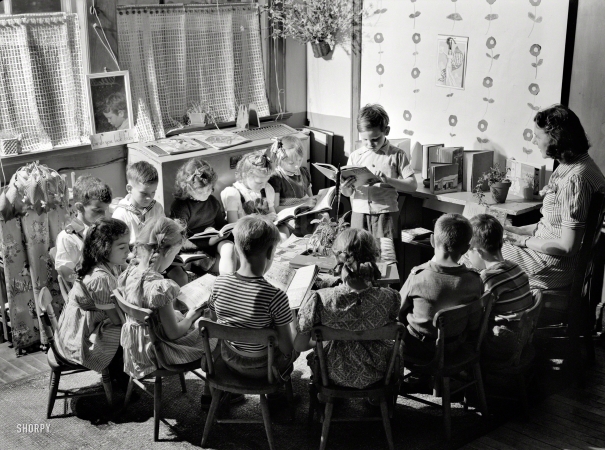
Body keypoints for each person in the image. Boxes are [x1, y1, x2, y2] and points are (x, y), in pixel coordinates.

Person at [503, 104, 605, 290]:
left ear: (555, 138)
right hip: (549, 258)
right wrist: (515, 231)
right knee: (486, 242)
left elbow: (567, 246)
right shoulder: (576, 166)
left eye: (538, 136)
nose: (534, 141)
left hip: (551, 265)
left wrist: (523, 241)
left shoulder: (576, 179)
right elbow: (554, 226)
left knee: (475, 250)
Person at [294, 228, 400, 389]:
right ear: (375, 258)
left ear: (338, 259)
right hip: (377, 371)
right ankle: (375, 400)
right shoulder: (390, 298)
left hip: (332, 371)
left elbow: (300, 346)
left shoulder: (320, 300)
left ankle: (329, 399)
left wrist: (318, 339)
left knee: (315, 356)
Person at [209, 214, 297, 379]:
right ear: (271, 252)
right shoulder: (276, 297)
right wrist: (293, 317)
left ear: (236, 249)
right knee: (297, 343)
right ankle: (275, 397)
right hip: (265, 367)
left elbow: (214, 320)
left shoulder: (218, 284)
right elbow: (287, 348)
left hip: (229, 359)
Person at [118, 216, 206, 380]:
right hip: (159, 353)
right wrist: (191, 316)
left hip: (136, 350)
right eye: (176, 254)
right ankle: (213, 394)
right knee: (212, 334)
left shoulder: (128, 273)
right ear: (169, 252)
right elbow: (173, 334)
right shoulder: (160, 288)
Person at [55, 218, 129, 384]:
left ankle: (120, 370)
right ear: (104, 248)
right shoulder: (99, 278)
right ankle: (119, 375)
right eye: (123, 247)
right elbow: (117, 319)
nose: (128, 252)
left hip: (91, 318)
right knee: (125, 331)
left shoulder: (107, 262)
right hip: (81, 333)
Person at [399, 214, 483, 358]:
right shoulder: (475, 280)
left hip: (417, 350)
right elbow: (474, 323)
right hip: (455, 349)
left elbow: (397, 311)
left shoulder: (418, 276)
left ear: (432, 240)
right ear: (466, 248)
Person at [340, 104, 417, 239]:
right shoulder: (355, 156)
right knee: (358, 253)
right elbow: (348, 193)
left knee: (386, 256)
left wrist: (389, 181)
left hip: (385, 213)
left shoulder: (396, 154)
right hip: (359, 212)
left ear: (386, 131)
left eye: (375, 139)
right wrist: (345, 188)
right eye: (365, 140)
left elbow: (412, 185)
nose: (370, 144)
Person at [467, 214, 534, 361]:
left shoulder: (488, 277)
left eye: (468, 251)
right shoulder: (516, 267)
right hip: (523, 339)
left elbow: (477, 316)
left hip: (501, 344)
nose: (467, 255)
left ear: (478, 252)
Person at [170, 158, 236, 275]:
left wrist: (228, 231)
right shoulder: (180, 206)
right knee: (212, 262)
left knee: (229, 248)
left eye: (210, 189)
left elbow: (221, 224)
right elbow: (180, 240)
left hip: (215, 239)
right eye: (201, 192)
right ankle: (226, 279)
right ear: (187, 189)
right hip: (194, 248)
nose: (206, 194)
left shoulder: (212, 201)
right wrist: (208, 242)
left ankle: (228, 280)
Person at [220, 150, 289, 239]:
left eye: (266, 181)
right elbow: (234, 227)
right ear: (244, 175)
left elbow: (273, 215)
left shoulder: (267, 189)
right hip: (246, 236)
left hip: (265, 231)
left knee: (284, 230)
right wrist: (263, 220)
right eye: (259, 182)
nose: (263, 185)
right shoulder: (233, 194)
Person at [55, 176, 112, 280]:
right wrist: (87, 282)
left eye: (105, 209)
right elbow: (66, 274)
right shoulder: (68, 237)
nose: (103, 215)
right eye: (98, 210)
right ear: (79, 207)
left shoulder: (104, 228)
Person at [268, 135, 316, 236]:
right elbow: (276, 208)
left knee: (323, 217)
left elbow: (311, 196)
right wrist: (303, 204)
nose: (297, 165)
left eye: (299, 160)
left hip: (306, 212)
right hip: (289, 217)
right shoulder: (276, 178)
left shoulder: (304, 172)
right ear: (279, 160)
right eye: (291, 163)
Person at [113, 161, 165, 245]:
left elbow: (163, 232)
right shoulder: (120, 214)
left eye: (153, 192)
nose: (149, 198)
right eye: (144, 193)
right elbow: (117, 246)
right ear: (129, 189)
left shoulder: (157, 208)